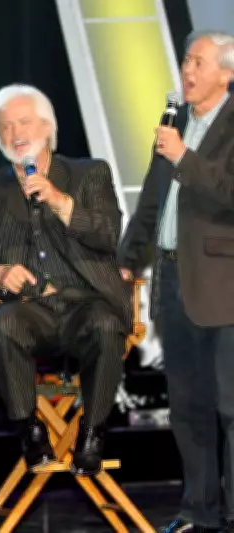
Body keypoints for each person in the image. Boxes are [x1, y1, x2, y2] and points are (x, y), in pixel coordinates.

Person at [0, 84, 130, 476]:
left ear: (47, 127)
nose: (15, 133)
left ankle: (92, 434)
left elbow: (108, 235)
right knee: (1, 326)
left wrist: (60, 201)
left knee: (107, 325)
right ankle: (30, 431)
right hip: (29, 308)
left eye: (24, 122)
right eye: (5, 127)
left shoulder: (90, 174)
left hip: (87, 302)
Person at [118, 31, 234, 533]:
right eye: (186, 60)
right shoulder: (176, 123)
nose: (187, 70)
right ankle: (198, 513)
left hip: (225, 287)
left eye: (199, 62)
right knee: (188, 409)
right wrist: (126, 259)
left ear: (227, 73)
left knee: (231, 407)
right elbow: (152, 199)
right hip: (172, 281)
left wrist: (185, 157)